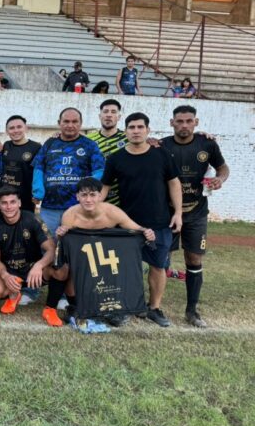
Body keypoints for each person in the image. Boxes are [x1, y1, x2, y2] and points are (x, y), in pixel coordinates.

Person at [101, 112, 183, 327]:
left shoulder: (162, 155)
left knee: (158, 266)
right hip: (128, 224)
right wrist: (93, 213)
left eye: (140, 127)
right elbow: (104, 189)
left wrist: (178, 213)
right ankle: (125, 307)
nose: (136, 131)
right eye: (131, 127)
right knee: (127, 268)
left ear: (148, 130)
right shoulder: (116, 158)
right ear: (125, 130)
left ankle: (154, 308)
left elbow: (174, 184)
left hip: (160, 222)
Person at [32, 107, 105, 326]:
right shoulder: (50, 144)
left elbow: (99, 172)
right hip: (50, 209)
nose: (70, 125)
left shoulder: (89, 146)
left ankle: (64, 295)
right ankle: (33, 290)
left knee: (71, 254)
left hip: (77, 211)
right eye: (66, 121)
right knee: (47, 250)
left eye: (74, 121)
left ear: (80, 123)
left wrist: (88, 194)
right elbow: (39, 166)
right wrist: (38, 188)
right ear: (59, 122)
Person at [55, 177, 156, 326]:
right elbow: (65, 244)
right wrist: (61, 233)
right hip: (84, 252)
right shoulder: (70, 215)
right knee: (70, 268)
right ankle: (76, 306)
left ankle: (115, 310)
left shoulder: (112, 212)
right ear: (77, 196)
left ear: (100, 196)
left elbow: (135, 228)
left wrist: (146, 232)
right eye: (84, 195)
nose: (88, 199)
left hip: (108, 251)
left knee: (116, 270)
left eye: (92, 195)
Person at [162, 105, 229, 327]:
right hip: (167, 213)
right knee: (162, 260)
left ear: (196, 122)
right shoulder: (162, 145)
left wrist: (220, 178)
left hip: (196, 213)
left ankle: (191, 311)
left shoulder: (207, 144)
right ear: (172, 123)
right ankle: (154, 306)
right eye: (179, 121)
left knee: (194, 259)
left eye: (188, 121)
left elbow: (223, 167)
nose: (184, 125)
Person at [0, 185, 55, 318]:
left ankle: (55, 303)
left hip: (33, 272)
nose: (9, 206)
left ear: (19, 203)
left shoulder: (32, 219)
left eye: (13, 202)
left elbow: (51, 249)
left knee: (59, 269)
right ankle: (14, 293)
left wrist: (39, 266)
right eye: (4, 203)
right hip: (11, 272)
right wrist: (5, 276)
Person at [0, 115, 41, 213]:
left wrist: (38, 194)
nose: (15, 130)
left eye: (19, 127)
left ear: (26, 128)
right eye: (11, 128)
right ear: (7, 131)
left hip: (25, 198)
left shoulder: (36, 147)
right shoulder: (6, 145)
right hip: (4, 196)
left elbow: (40, 173)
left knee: (23, 226)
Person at [87, 99, 127, 205]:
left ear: (119, 117)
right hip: (93, 197)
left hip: (122, 199)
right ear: (100, 116)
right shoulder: (88, 139)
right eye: (105, 111)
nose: (109, 115)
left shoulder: (128, 138)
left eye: (113, 112)